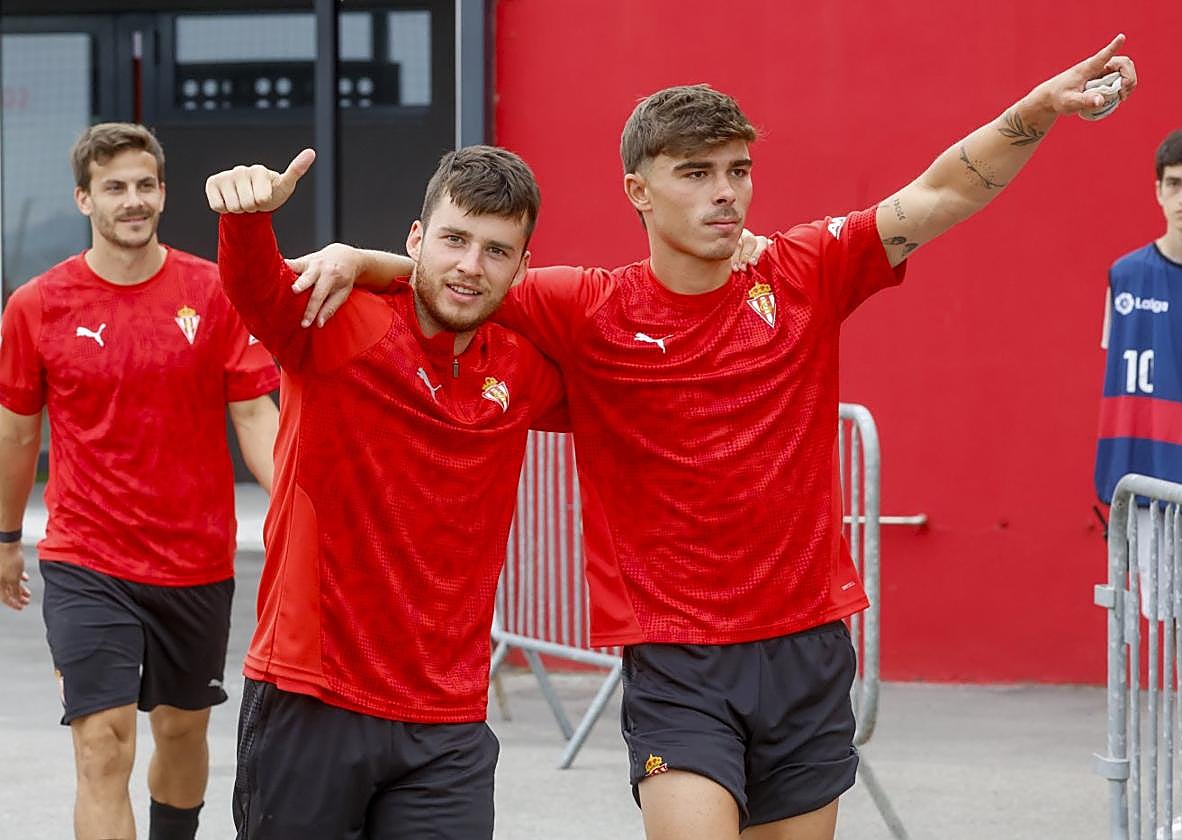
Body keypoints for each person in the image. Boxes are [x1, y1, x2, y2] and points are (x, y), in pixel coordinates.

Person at [301, 36, 1137, 840]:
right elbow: (462, 280)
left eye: (737, 170)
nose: (724, 193)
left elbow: (939, 194)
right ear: (639, 190)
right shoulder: (586, 305)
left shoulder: (805, 270)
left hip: (806, 642)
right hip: (678, 658)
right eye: (695, 173)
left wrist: (1037, 109)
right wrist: (359, 258)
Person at [207, 144, 575, 840]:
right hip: (312, 697)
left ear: (521, 268)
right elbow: (255, 284)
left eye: (497, 251)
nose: (471, 265)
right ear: (415, 239)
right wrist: (247, 217)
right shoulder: (340, 321)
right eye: (454, 239)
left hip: (448, 725)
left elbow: (639, 363)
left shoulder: (523, 369)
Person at [0, 123, 279, 840]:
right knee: (103, 743)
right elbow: (16, 433)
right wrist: (5, 538)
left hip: (195, 560)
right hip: (86, 559)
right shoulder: (37, 305)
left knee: (183, 734)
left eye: (145, 185)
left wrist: (298, 503)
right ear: (84, 199)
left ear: (162, 191)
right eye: (115, 188)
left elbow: (254, 414)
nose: (133, 200)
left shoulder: (213, 292)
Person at [1094, 128, 1182, 839]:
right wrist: (1113, 487)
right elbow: (1119, 387)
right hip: (1163, 498)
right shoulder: (1126, 277)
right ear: (1157, 189)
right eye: (1175, 184)